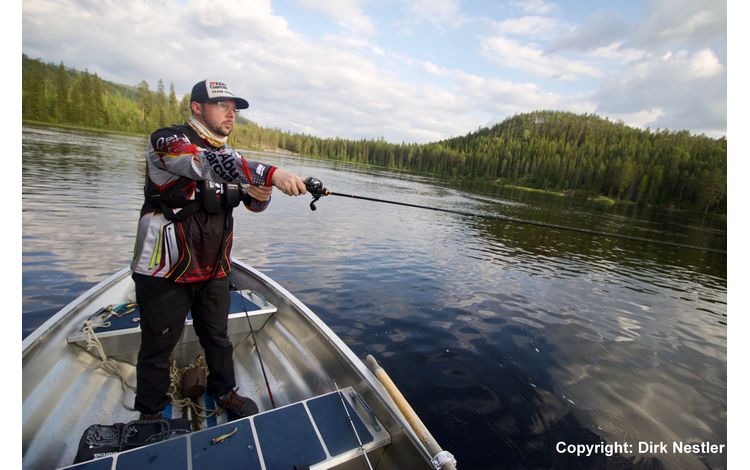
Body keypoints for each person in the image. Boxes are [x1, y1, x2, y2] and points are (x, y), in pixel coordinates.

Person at [130, 79, 307, 419]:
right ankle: (150, 415)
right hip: (164, 269)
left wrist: (261, 193)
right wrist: (272, 173)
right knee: (157, 346)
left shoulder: (233, 157)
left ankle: (224, 392)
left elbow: (254, 206)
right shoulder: (166, 141)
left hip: (214, 269)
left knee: (218, 338)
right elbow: (202, 163)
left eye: (235, 108)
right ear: (197, 107)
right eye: (222, 105)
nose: (232, 113)